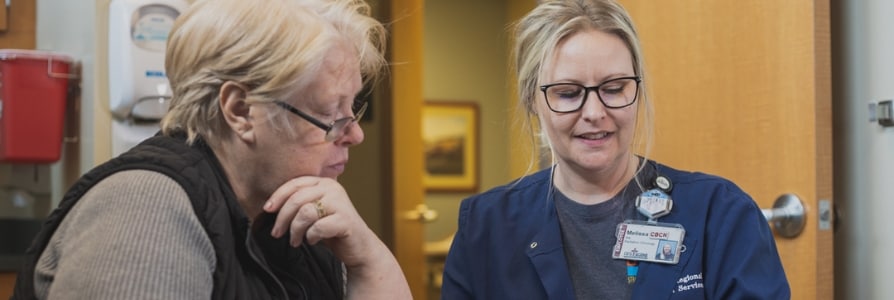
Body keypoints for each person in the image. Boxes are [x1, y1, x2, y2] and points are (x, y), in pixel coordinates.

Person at [12, 0, 411, 299]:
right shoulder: (145, 208)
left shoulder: (298, 218)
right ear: (240, 111)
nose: (354, 134)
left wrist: (368, 259)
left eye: (352, 108)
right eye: (329, 113)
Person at [440, 0, 789, 299]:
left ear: (637, 90)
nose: (594, 112)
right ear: (533, 99)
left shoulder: (722, 213)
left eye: (614, 88)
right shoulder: (486, 228)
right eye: (568, 93)